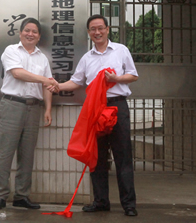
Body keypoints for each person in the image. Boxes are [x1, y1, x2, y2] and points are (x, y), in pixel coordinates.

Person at [53, 14, 139, 217]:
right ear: (89, 32)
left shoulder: (121, 50)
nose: (97, 32)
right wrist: (57, 86)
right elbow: (76, 81)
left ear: (107, 29)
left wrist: (116, 78)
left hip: (117, 106)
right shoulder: (87, 58)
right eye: (93, 29)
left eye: (100, 28)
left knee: (123, 156)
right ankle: (100, 201)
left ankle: (129, 204)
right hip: (95, 109)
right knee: (97, 156)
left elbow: (133, 75)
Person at [0, 17, 58, 211]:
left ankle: (22, 195)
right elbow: (18, 73)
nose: (30, 34)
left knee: (27, 154)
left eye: (34, 31)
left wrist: (48, 109)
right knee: (5, 152)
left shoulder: (42, 58)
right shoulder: (11, 51)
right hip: (12, 105)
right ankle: (0, 195)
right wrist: (45, 80)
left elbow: (47, 86)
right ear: (20, 33)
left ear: (39, 36)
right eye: (27, 30)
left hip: (33, 108)